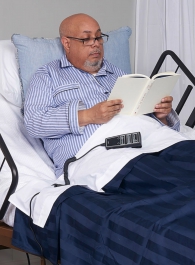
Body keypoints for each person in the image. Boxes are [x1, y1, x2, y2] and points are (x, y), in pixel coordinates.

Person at [24, 13, 180, 178]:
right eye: (86, 39)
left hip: (148, 144)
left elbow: (144, 117)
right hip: (99, 157)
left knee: (191, 155)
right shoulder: (47, 75)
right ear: (66, 43)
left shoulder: (117, 73)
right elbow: (34, 123)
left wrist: (162, 116)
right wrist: (88, 116)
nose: (96, 44)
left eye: (98, 37)